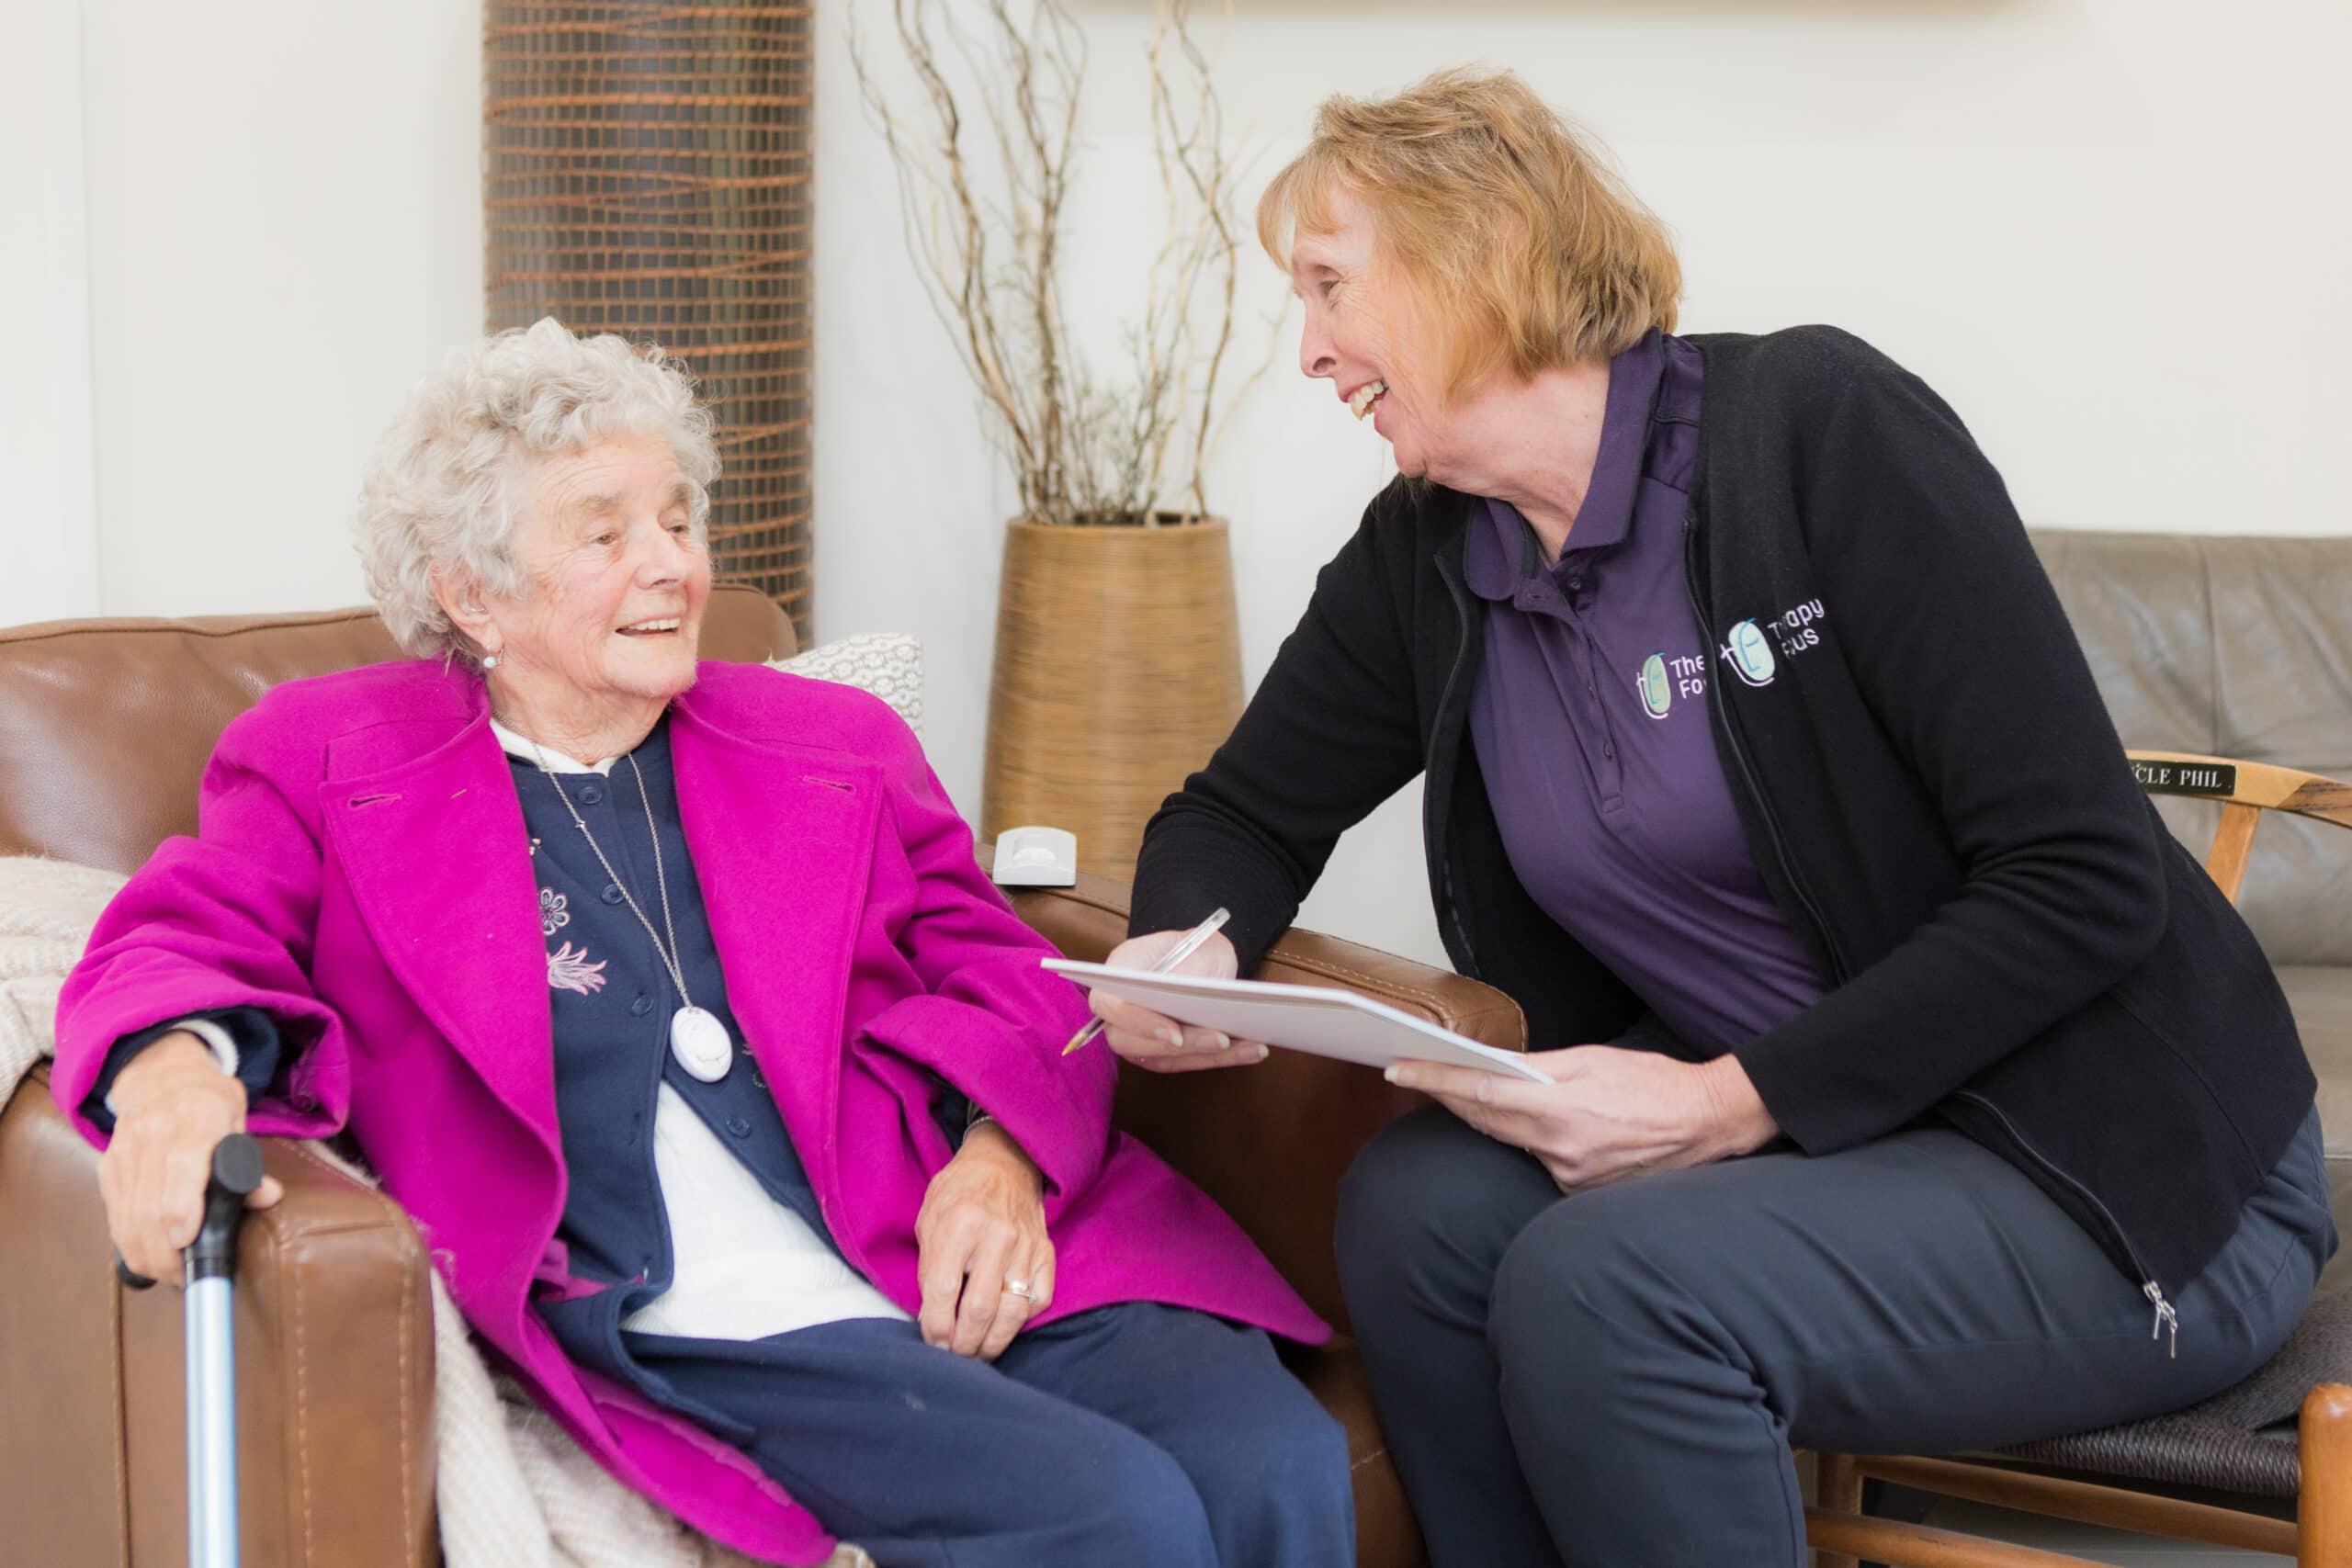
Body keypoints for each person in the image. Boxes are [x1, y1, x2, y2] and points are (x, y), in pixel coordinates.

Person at [1085, 67, 2332, 1568]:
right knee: (1417, 1215)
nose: (1310, 350)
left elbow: (2079, 880)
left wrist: (1724, 1101)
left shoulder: (1815, 434)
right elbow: (1241, 811)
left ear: (1476, 257)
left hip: (2114, 1164)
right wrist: (1182, 947)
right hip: (1836, 1158)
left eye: (1332, 287)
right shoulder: (1428, 557)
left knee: (1607, 1288)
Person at [53, 320, 1352, 1568]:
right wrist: (172, 1071)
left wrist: (1002, 1159)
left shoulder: (830, 743)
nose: (672, 564)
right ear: (471, 593)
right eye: (606, 533)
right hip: (687, 1300)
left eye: (679, 520)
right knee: (1108, 1517)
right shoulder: (335, 759)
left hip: (931, 1222)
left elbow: (1001, 969)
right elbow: (188, 934)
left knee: (1272, 1460)